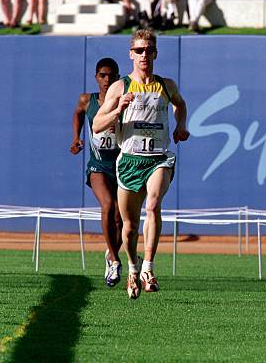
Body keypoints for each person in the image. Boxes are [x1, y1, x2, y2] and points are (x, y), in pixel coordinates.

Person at [93, 30, 189, 300]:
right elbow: (98, 125)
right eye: (139, 50)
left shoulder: (165, 85)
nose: (144, 55)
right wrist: (117, 110)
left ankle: (148, 267)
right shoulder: (120, 87)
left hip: (159, 158)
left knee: (154, 204)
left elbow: (180, 105)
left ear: (155, 53)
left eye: (148, 50)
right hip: (130, 160)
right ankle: (132, 270)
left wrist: (181, 126)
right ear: (131, 54)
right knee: (130, 225)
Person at [70, 58, 124, 287]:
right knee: (108, 206)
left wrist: (121, 124)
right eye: (103, 75)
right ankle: (114, 259)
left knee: (121, 220)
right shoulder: (87, 100)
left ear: (118, 78)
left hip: (122, 166)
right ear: (96, 76)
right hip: (98, 166)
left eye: (111, 75)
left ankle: (111, 253)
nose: (107, 79)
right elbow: (78, 114)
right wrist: (76, 138)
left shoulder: (124, 101)